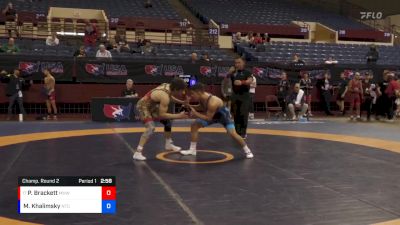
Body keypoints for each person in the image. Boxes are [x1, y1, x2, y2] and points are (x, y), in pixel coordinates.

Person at [180, 83, 254, 158]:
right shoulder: (201, 97)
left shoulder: (213, 102)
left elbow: (208, 118)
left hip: (223, 117)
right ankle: (192, 150)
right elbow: (201, 107)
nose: (191, 96)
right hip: (212, 115)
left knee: (232, 133)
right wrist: (189, 106)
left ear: (199, 92)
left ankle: (248, 151)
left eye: (192, 94)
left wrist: (195, 113)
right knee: (194, 125)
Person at [133, 78, 189, 160]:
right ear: (176, 89)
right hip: (142, 107)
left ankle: (168, 144)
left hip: (151, 106)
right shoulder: (164, 97)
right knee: (151, 128)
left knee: (168, 122)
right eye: (181, 90)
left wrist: (182, 102)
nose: (183, 93)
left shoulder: (168, 86)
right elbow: (162, 115)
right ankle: (137, 152)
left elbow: (171, 97)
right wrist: (179, 116)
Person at [228, 57, 253, 139]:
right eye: (235, 63)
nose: (237, 64)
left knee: (243, 114)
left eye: (239, 62)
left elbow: (250, 80)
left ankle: (243, 132)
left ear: (243, 63)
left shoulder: (247, 72)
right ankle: (237, 132)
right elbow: (226, 80)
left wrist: (242, 82)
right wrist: (229, 72)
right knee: (236, 115)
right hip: (235, 96)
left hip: (244, 96)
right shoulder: (233, 73)